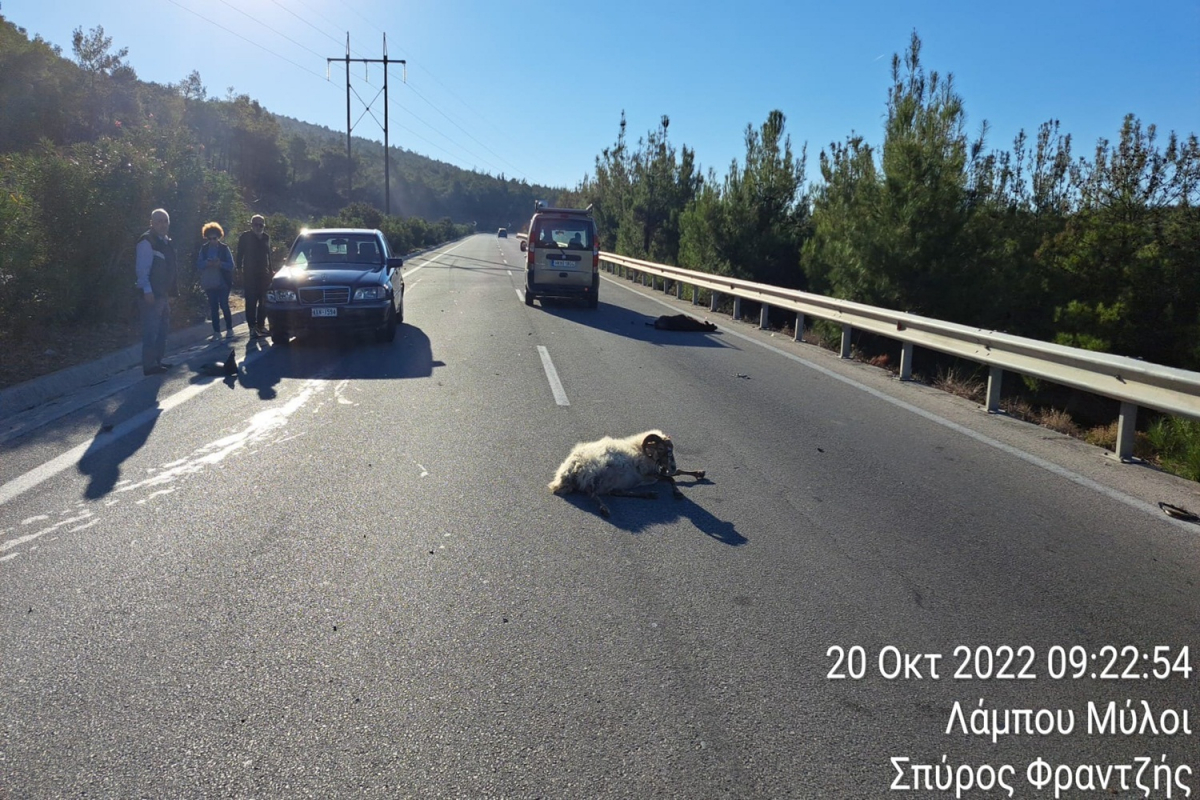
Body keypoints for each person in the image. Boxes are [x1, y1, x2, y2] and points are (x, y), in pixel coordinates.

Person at [134, 208, 178, 376]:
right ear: (151, 223)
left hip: (163, 295)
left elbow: (170, 269)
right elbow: (142, 270)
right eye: (158, 221)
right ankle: (149, 365)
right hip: (151, 295)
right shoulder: (146, 242)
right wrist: (147, 291)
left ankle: (157, 361)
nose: (162, 224)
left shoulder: (165, 241)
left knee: (162, 330)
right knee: (151, 330)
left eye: (165, 221)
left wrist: (171, 294)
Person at [196, 222, 235, 340]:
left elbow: (231, 265)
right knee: (213, 307)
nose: (212, 240)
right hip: (210, 282)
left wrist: (220, 264)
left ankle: (229, 329)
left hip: (223, 282)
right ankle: (216, 332)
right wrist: (207, 263)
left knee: (224, 304)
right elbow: (199, 264)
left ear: (219, 236)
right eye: (210, 238)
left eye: (215, 238)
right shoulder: (204, 249)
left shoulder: (224, 249)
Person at [236, 214, 272, 338]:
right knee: (251, 302)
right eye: (256, 224)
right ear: (251, 225)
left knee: (264, 301)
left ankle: (261, 326)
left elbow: (269, 257)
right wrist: (239, 271)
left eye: (261, 225)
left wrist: (271, 273)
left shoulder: (266, 238)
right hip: (249, 275)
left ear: (264, 226)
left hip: (264, 275)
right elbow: (239, 255)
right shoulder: (245, 237)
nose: (258, 227)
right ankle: (252, 327)